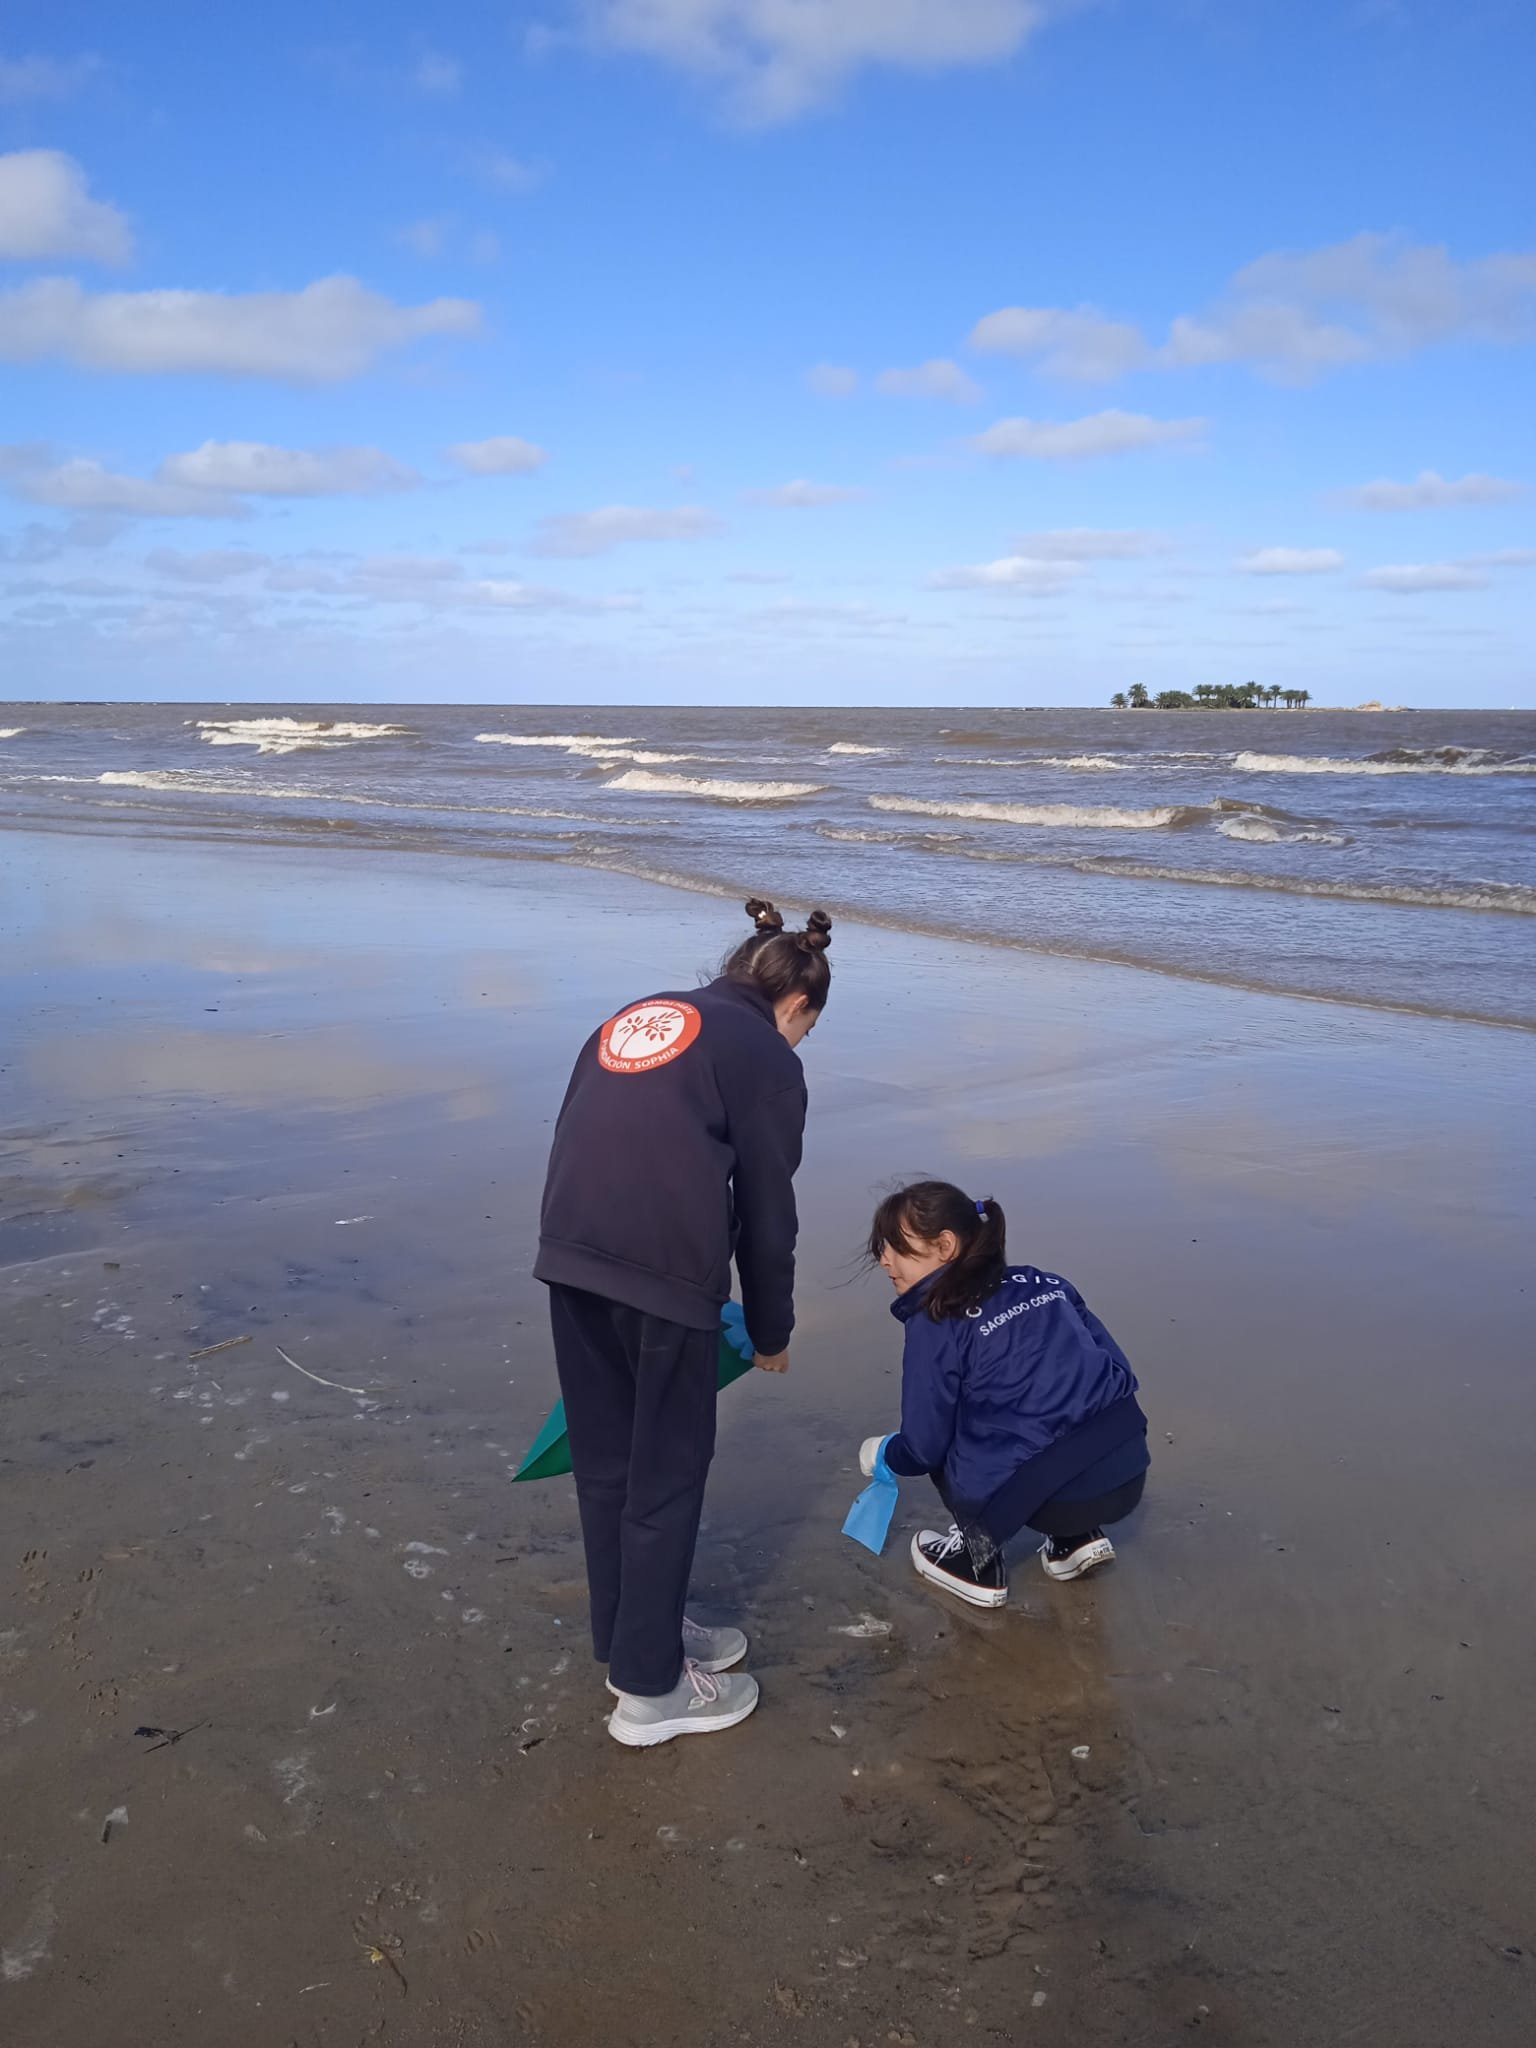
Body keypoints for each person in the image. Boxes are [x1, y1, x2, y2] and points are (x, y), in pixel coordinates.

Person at [534, 898, 832, 1746]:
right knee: (665, 1473)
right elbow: (768, 1211)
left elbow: (582, 1128)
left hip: (569, 1253)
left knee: (607, 1465)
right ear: (796, 1004)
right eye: (807, 1030)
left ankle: (636, 1634)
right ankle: (650, 1693)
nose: (800, 1044)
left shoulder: (637, 1015)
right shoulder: (765, 1055)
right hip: (662, 1276)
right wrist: (771, 1331)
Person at [860, 1180, 1148, 1609]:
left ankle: (976, 1563)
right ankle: (1075, 1539)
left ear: (945, 1246)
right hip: (1129, 1467)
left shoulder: (936, 1322)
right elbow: (1115, 1366)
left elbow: (924, 1447)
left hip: (1054, 1497)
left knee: (954, 1427)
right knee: (1041, 1400)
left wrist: (886, 1453)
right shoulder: (1044, 1282)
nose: (885, 1261)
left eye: (896, 1247)